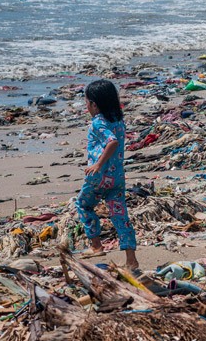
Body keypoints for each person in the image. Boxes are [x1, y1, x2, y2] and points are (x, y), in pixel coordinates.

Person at [77, 79, 138, 270]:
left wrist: (98, 164)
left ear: (94, 104)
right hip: (117, 177)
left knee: (84, 205)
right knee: (120, 215)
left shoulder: (98, 123)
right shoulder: (118, 121)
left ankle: (96, 246)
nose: (86, 106)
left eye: (87, 102)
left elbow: (112, 142)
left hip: (99, 177)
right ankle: (131, 259)